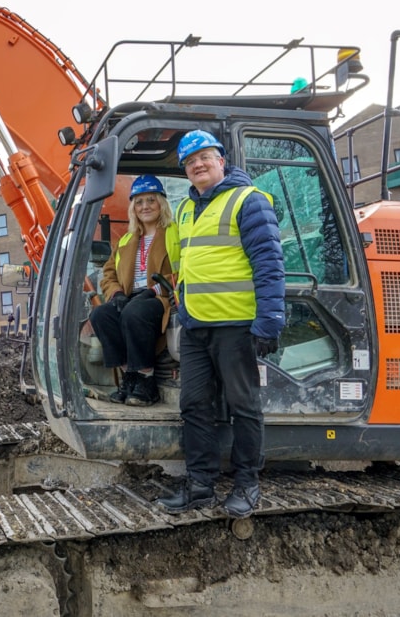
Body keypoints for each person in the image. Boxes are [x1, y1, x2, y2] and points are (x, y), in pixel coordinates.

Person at [156, 129, 285, 519]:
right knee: (194, 404)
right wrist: (181, 303)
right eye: (190, 161)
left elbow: (269, 263)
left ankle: (247, 483)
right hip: (196, 326)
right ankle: (200, 485)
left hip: (236, 325)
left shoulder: (248, 201)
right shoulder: (184, 209)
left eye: (204, 157)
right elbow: (183, 262)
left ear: (221, 161)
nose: (197, 164)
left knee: (243, 406)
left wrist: (269, 321)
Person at [88, 174, 174, 406]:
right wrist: (116, 294)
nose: (144, 206)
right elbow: (109, 273)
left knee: (135, 312)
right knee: (101, 314)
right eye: (139, 202)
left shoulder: (175, 234)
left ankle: (147, 381)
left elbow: (185, 267)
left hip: (161, 297)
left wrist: (154, 290)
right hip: (129, 297)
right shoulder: (126, 240)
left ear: (161, 203)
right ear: (133, 208)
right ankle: (130, 376)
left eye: (150, 200)